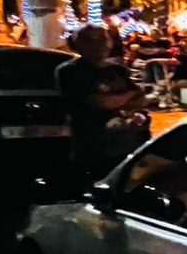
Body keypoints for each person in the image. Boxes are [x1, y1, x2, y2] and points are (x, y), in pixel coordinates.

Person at [56, 24, 148, 182]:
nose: (101, 44)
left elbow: (142, 99)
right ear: (79, 44)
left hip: (130, 142)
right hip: (95, 147)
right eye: (91, 40)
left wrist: (126, 99)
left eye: (104, 38)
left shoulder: (118, 70)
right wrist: (130, 96)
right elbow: (103, 102)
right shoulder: (70, 71)